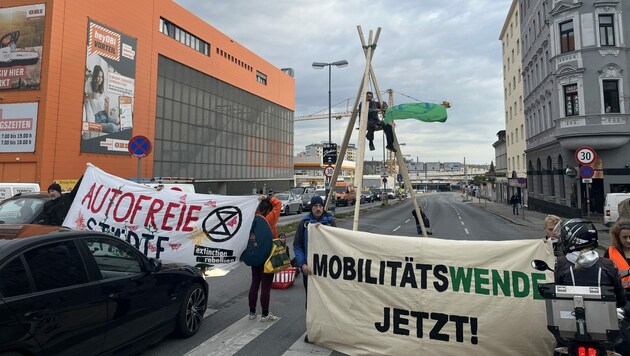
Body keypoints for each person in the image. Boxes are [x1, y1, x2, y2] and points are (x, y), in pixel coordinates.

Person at [554, 218, 626, 307]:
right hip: (604, 317)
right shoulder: (608, 265)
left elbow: (558, 297)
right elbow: (621, 301)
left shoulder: (561, 264)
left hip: (571, 315)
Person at [293, 195, 335, 342]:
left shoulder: (329, 221)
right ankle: (312, 329)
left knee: (327, 300)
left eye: (320, 206)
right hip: (309, 271)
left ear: (323, 207)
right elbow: (297, 245)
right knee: (311, 301)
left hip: (326, 271)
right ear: (312, 207)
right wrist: (302, 263)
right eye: (315, 206)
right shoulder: (304, 223)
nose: (318, 208)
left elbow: (337, 243)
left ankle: (327, 328)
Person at [247, 194, 282, 322]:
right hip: (268, 255)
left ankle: (252, 312)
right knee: (266, 286)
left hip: (254, 254)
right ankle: (265, 314)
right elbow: (278, 203)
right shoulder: (270, 218)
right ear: (269, 209)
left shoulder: (253, 218)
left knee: (255, 283)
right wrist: (267, 197)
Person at [604, 219, 630, 354]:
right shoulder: (610, 252)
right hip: (620, 298)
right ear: (618, 237)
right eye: (625, 237)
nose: (628, 240)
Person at [84, 64, 120, 133]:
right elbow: (84, 97)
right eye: (98, 77)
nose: (100, 79)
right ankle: (117, 128)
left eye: (102, 77)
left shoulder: (102, 89)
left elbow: (107, 112)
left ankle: (118, 127)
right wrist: (89, 96)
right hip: (97, 119)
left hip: (104, 115)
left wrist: (107, 104)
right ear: (95, 77)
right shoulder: (89, 84)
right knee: (113, 127)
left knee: (118, 120)